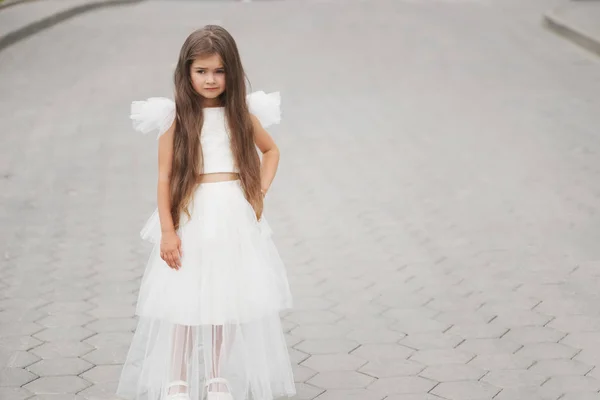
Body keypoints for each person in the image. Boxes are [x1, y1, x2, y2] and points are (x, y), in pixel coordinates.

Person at [116, 25, 296, 400]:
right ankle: (177, 378)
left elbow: (272, 151)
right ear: (187, 73)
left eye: (219, 71)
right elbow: (164, 177)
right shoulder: (177, 117)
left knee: (226, 293)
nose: (210, 79)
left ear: (231, 70)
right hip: (192, 212)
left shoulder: (241, 114)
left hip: (232, 212)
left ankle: (217, 377)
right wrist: (168, 230)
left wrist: (258, 192)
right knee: (183, 295)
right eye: (201, 71)